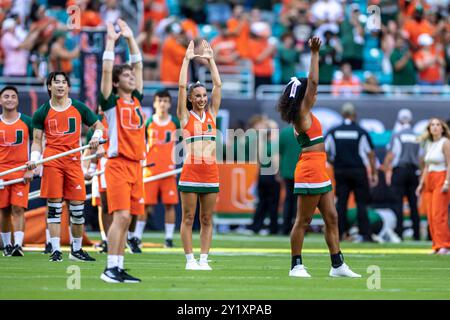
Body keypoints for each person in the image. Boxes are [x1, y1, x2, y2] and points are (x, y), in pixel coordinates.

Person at [277, 37, 360, 278]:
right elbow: (313, 81)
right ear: (302, 95)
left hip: (318, 170)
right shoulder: (301, 113)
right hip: (310, 171)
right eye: (307, 91)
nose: (312, 93)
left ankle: (337, 265)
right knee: (302, 221)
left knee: (332, 217)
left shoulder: (303, 112)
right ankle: (296, 265)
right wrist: (315, 53)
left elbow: (311, 85)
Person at [27, 71, 104, 262]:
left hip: (73, 161)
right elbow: (37, 140)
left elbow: (99, 126)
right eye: (56, 82)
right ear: (49, 87)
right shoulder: (41, 112)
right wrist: (34, 157)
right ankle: (55, 249)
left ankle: (76, 251)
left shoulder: (79, 107)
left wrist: (95, 138)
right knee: (54, 207)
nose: (60, 85)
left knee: (77, 209)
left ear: (68, 87)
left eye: (63, 82)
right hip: (52, 160)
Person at [99, 20, 146, 283]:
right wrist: (110, 41)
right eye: (125, 76)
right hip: (117, 164)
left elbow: (138, 64)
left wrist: (129, 38)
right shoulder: (110, 103)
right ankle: (110, 268)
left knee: (128, 219)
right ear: (117, 83)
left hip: (136, 166)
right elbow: (107, 70)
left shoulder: (136, 100)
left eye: (131, 75)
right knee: (122, 216)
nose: (131, 76)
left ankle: (118, 266)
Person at [177, 40, 221, 270]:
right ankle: (189, 260)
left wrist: (211, 60)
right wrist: (186, 60)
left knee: (206, 219)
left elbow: (219, 85)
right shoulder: (185, 117)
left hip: (210, 174)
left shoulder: (212, 113)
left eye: (204, 95)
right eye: (198, 96)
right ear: (191, 99)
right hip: (191, 173)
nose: (203, 99)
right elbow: (181, 87)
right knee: (188, 218)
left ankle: (204, 259)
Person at [324, 103, 378, 242]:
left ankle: (339, 233)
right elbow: (371, 154)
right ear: (354, 114)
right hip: (358, 170)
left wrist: (333, 163)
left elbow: (324, 150)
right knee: (361, 204)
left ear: (342, 114)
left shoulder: (334, 131)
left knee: (341, 203)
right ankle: (365, 234)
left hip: (341, 170)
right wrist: (373, 173)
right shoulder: (360, 131)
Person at [134, 90, 180, 249]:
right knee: (145, 205)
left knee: (170, 204)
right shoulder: (148, 123)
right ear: (154, 103)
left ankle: (168, 238)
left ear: (170, 104)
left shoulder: (175, 122)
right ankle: (137, 237)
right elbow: (141, 143)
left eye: (166, 101)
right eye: (160, 100)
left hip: (168, 170)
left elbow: (184, 143)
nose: (162, 104)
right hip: (150, 170)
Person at [0, 86, 33, 257]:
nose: (10, 99)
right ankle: (7, 246)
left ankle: (18, 245)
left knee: (18, 208)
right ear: (0, 101)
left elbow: (39, 142)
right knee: (3, 210)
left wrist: (32, 166)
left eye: (13, 96)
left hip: (21, 171)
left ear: (18, 100)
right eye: (6, 96)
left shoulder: (27, 121)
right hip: (2, 173)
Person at [384, 109, 421, 240]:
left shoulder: (397, 135)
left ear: (399, 120)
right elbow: (420, 157)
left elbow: (391, 154)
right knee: (413, 203)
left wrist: (386, 170)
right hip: (413, 171)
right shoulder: (417, 136)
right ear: (410, 120)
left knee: (398, 203)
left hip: (400, 170)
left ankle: (399, 233)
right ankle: (417, 234)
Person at [416, 118, 450, 254]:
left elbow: (449, 164)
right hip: (429, 178)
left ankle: (445, 244)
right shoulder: (429, 144)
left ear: (442, 128)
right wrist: (421, 183)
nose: (435, 127)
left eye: (438, 125)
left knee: (439, 214)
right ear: (429, 129)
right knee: (430, 214)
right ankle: (436, 244)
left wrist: (447, 182)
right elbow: (426, 166)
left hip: (441, 177)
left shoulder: (445, 143)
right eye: (432, 125)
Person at [279, 125, 302, 235]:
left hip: (287, 170)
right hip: (302, 170)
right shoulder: (304, 131)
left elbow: (279, 152)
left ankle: (285, 227)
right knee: (300, 200)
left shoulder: (284, 132)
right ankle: (298, 227)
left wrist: (279, 170)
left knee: (288, 199)